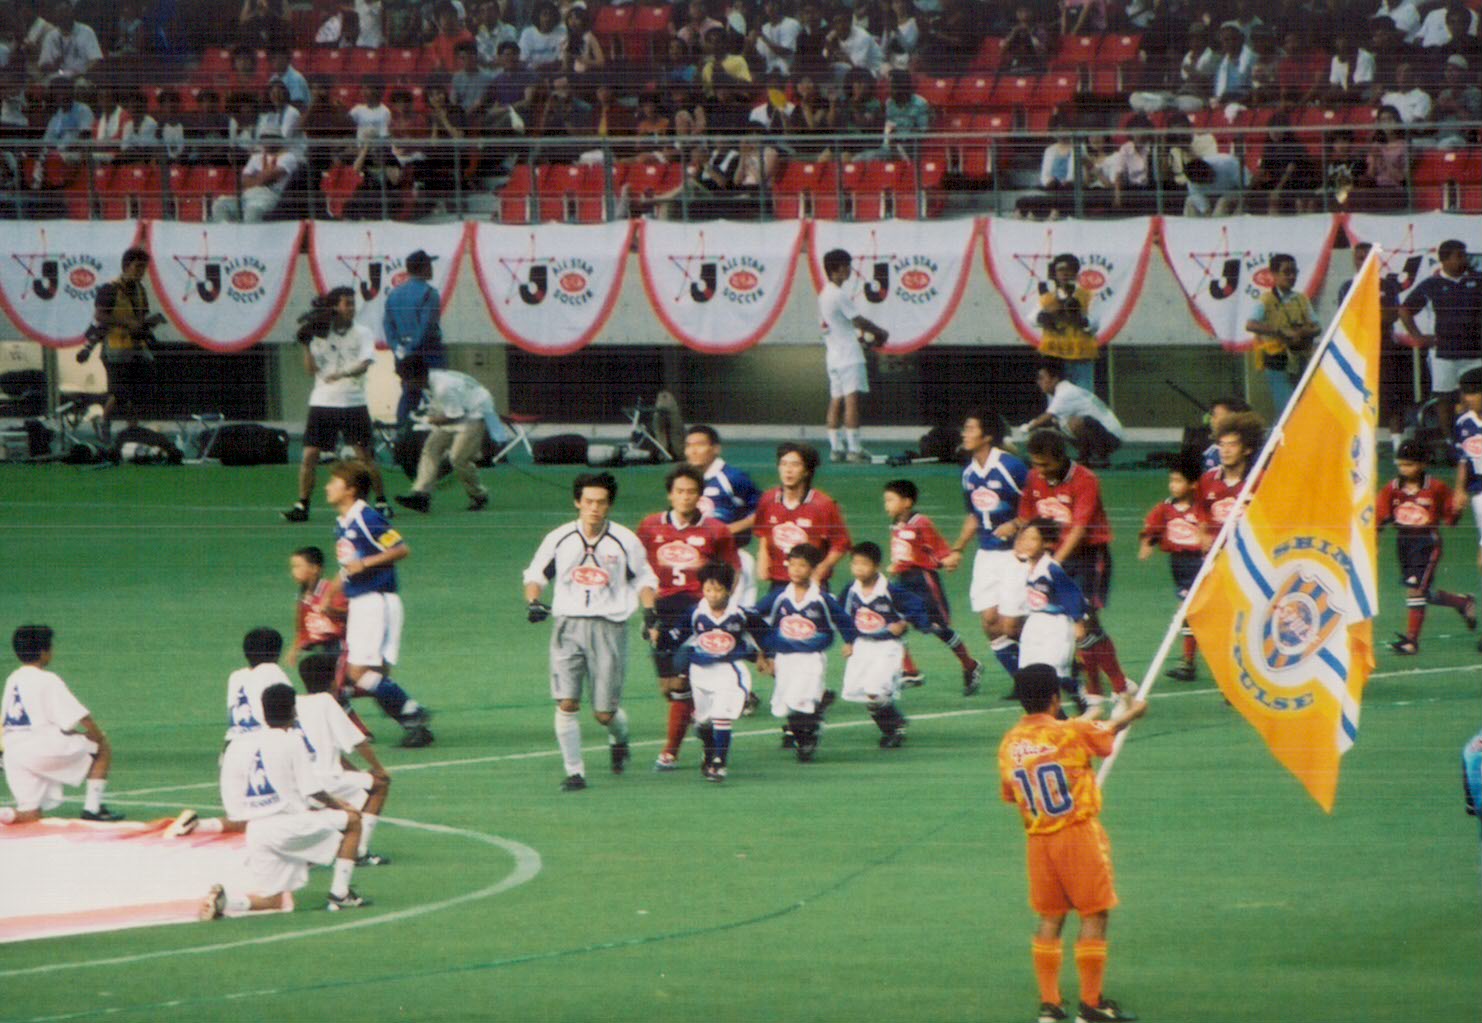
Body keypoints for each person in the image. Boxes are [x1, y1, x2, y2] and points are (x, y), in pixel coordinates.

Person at [998, 663, 1146, 1023]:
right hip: (1076, 836)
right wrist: (1134, 711)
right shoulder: (1070, 731)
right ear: (1055, 697)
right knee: (1094, 913)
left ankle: (1050, 1004)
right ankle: (1091, 1004)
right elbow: (1109, 730)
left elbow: (1011, 794)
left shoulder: (1009, 744)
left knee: (1051, 917)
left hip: (1038, 841)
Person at [523, 472, 659, 792]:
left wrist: (650, 612)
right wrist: (533, 601)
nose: (594, 508)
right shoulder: (559, 538)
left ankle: (619, 739)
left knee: (604, 713)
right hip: (568, 626)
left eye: (601, 502)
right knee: (567, 702)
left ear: (609, 505)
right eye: (588, 502)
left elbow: (644, 578)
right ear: (577, 502)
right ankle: (575, 772)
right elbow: (536, 574)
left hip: (609, 627)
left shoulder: (625, 540)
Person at [200, 683, 370, 918]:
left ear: (263, 711)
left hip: (257, 830)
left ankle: (227, 902)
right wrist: (340, 804)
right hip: (288, 825)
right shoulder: (291, 741)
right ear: (293, 710)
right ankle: (340, 893)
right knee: (352, 822)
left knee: (274, 900)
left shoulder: (243, 744)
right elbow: (313, 791)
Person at [998, 431, 1133, 705]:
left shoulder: (1085, 479)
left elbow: (1079, 528)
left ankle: (1115, 687)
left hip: (1087, 557)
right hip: (1054, 559)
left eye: (1045, 464)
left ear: (1060, 458)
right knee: (1070, 626)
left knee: (1087, 622)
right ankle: (1101, 688)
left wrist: (1054, 564)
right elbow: (1027, 517)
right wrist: (1018, 536)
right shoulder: (1034, 477)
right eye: (1035, 463)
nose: (1039, 470)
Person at [636, 464, 739, 771]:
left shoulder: (716, 530)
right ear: (670, 495)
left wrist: (719, 610)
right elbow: (639, 572)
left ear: (700, 496)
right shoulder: (650, 526)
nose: (685, 497)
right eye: (679, 491)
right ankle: (701, 726)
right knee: (669, 687)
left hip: (696, 613)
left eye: (692, 492)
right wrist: (648, 614)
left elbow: (731, 571)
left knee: (683, 684)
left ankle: (671, 751)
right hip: (663, 612)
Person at [326, 461, 435, 747]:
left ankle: (413, 714)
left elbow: (400, 549)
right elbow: (348, 567)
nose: (328, 487)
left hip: (375, 601)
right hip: (363, 601)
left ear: (350, 490)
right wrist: (329, 594)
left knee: (358, 673)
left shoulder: (367, 517)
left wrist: (366, 563)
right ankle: (414, 725)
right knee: (374, 675)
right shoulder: (343, 523)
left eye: (334, 482)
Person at [282, 287, 392, 524]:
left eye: (353, 303)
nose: (351, 308)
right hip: (322, 402)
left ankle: (381, 501)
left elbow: (364, 363)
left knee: (365, 456)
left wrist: (341, 374)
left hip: (353, 402)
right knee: (309, 455)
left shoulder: (363, 332)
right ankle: (302, 504)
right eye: (346, 303)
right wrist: (305, 346)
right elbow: (310, 370)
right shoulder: (319, 333)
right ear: (334, 307)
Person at [0, 625, 121, 825]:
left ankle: (4, 814)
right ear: (43, 652)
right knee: (101, 749)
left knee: (30, 816)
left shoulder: (12, 679)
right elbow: (81, 716)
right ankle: (93, 809)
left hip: (13, 754)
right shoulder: (47, 679)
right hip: (41, 749)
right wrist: (98, 736)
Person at [751, 543, 857, 762]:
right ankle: (810, 729)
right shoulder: (780, 596)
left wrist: (850, 641)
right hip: (784, 657)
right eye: (793, 565)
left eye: (802, 566)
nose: (796, 570)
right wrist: (763, 651)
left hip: (811, 658)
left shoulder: (822, 599)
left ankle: (807, 741)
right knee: (788, 703)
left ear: (813, 569)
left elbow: (843, 620)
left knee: (801, 700)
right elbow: (753, 616)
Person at [948, 410, 1030, 688]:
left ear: (987, 436)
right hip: (986, 554)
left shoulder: (1012, 467)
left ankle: (1054, 665)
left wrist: (1015, 524)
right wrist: (958, 549)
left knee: (1011, 625)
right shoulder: (969, 473)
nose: (964, 434)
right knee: (990, 622)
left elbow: (1036, 505)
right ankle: (1023, 683)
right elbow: (973, 515)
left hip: (1015, 554)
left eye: (970, 428)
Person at [882, 478, 984, 695]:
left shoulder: (921, 523)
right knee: (892, 620)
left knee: (938, 628)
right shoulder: (895, 524)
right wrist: (896, 565)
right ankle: (910, 671)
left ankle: (970, 665)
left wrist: (946, 560)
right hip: (902, 581)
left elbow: (937, 549)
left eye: (890, 500)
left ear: (907, 502)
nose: (886, 505)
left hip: (923, 581)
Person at [1378, 440, 1475, 654]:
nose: (1404, 469)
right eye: (1401, 464)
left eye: (1409, 464)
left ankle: (1411, 641)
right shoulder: (1392, 489)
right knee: (1422, 592)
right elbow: (1380, 515)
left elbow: (1450, 519)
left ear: (1422, 464)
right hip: (1404, 543)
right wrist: (1375, 538)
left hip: (1427, 543)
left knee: (1416, 590)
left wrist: (1457, 508)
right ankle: (1462, 602)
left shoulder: (1436, 488)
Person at [295, 654, 391, 865]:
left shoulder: (295, 704)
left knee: (351, 792)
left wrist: (356, 771)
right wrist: (378, 768)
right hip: (326, 780)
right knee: (380, 785)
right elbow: (358, 741)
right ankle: (359, 851)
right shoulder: (326, 702)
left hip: (300, 781)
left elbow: (330, 751)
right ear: (333, 680)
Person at [671, 561, 760, 781]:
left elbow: (764, 634)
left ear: (729, 590)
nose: (712, 595)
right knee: (703, 722)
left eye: (718, 590)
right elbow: (677, 636)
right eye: (708, 590)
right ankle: (709, 746)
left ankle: (719, 763)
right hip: (700, 672)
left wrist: (764, 656)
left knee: (721, 716)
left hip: (729, 671)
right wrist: (660, 636)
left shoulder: (740, 614)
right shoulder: (695, 612)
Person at [392, 356, 512, 514]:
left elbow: (455, 416)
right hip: (459, 408)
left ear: (419, 377)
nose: (404, 383)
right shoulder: (429, 381)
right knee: (431, 449)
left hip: (475, 412)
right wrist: (428, 416)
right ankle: (421, 495)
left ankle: (479, 495)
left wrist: (425, 420)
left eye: (406, 379)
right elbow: (445, 410)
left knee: (459, 458)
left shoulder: (443, 387)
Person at [841, 541, 928, 749]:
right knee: (865, 693)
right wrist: (848, 641)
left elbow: (917, 605)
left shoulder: (890, 590)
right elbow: (842, 616)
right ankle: (895, 723)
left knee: (875, 690)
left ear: (876, 566)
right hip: (862, 645)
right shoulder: (851, 590)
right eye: (855, 564)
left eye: (864, 564)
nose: (859, 568)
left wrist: (904, 623)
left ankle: (893, 730)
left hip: (887, 646)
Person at [75, 246, 165, 445]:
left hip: (136, 347)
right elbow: (100, 315)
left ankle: (133, 430)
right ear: (126, 266)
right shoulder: (110, 289)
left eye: (143, 267)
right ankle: (105, 422)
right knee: (120, 392)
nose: (141, 271)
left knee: (137, 392)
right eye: (137, 266)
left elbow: (140, 318)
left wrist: (149, 323)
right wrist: (127, 323)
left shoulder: (140, 290)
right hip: (115, 349)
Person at [1399, 239, 1482, 441]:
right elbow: (1405, 310)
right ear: (1444, 260)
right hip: (1444, 353)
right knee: (1444, 399)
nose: (1464, 259)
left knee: (1477, 396)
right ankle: (1449, 441)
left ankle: (1476, 438)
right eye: (1459, 255)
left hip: (1476, 352)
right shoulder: (1431, 285)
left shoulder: (1478, 280)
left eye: (1465, 254)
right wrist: (1418, 336)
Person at [1137, 452, 1210, 681]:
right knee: (1189, 611)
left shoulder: (1200, 508)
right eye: (1171, 480)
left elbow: (1207, 529)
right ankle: (1188, 662)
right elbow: (1152, 528)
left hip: (1199, 563)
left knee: (1188, 610)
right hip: (1179, 564)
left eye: (1178, 481)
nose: (1173, 485)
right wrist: (1147, 544)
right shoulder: (1166, 508)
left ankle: (1188, 662)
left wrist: (1205, 539)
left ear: (1193, 484)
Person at [817, 247, 889, 464]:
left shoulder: (824, 294)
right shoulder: (838, 295)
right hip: (848, 356)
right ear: (836, 270)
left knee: (836, 400)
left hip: (834, 355)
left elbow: (837, 326)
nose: (849, 270)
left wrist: (860, 337)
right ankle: (854, 449)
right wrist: (880, 332)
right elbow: (858, 320)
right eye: (846, 266)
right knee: (851, 401)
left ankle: (836, 448)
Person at [754, 443, 853, 595]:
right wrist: (763, 558)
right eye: (784, 464)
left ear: (807, 471)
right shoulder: (768, 499)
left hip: (811, 584)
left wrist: (820, 570)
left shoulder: (823, 504)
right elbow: (763, 532)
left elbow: (841, 544)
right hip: (778, 582)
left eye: (795, 465)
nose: (788, 470)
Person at [685, 425, 762, 606]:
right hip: (699, 559)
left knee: (734, 616)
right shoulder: (686, 481)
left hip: (731, 560)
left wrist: (730, 529)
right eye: (688, 445)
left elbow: (763, 510)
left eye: (699, 445)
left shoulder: (733, 478)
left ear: (716, 449)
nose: (693, 450)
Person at [1245, 253, 1322, 415]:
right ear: (1274, 274)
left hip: (1300, 357)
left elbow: (1317, 327)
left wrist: (1301, 332)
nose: (1292, 276)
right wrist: (1280, 332)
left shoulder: (1301, 299)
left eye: (1294, 272)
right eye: (1286, 272)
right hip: (1277, 359)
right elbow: (1250, 324)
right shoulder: (1266, 300)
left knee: (1303, 403)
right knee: (1287, 407)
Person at [1017, 359, 1125, 469]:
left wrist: (1027, 427)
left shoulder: (1065, 392)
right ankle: (1087, 457)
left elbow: (1047, 417)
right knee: (1058, 423)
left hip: (1112, 438)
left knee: (1075, 423)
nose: (1039, 382)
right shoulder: (1062, 390)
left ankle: (1098, 457)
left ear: (1055, 379)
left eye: (1042, 378)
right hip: (1106, 434)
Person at [383, 249, 448, 428]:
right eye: (429, 265)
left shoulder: (393, 295)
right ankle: (437, 436)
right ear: (424, 268)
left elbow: (388, 327)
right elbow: (427, 327)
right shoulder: (429, 294)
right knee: (440, 394)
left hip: (404, 354)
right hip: (429, 353)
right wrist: (413, 348)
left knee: (409, 394)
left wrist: (400, 349)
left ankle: (402, 434)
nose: (432, 269)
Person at [1036, 255, 1098, 391]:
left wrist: (1079, 318)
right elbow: (1033, 318)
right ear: (1055, 273)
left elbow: (1095, 323)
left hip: (1081, 356)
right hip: (1055, 355)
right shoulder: (1048, 297)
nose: (1065, 273)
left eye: (1069, 269)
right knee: (1056, 395)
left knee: (1083, 395)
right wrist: (1045, 316)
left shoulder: (1087, 295)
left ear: (1075, 273)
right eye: (1060, 269)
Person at [1198, 410, 1264, 535]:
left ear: (1247, 449)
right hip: (1216, 546)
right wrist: (1203, 535)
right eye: (1222, 445)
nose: (1225, 451)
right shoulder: (1207, 480)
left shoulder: (1262, 480)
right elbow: (1199, 514)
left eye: (1232, 445)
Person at [1450, 368, 1482, 621]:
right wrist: (1459, 490)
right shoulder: (1464, 423)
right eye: (1466, 393)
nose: (1468, 398)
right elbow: (1463, 460)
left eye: (1473, 393)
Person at [225, 627, 293, 742]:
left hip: (233, 745)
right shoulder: (273, 672)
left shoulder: (236, 676)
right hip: (263, 745)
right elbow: (289, 717)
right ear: (277, 653)